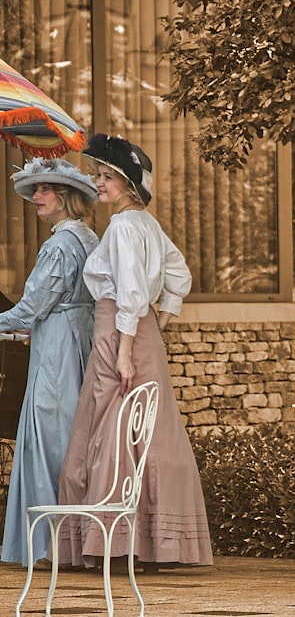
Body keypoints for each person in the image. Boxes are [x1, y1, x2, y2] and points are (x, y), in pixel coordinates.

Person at [57, 134, 213, 571]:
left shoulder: (125, 226)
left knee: (111, 423)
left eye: (106, 177)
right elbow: (178, 274)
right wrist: (158, 322)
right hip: (140, 330)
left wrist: (125, 348)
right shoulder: (148, 224)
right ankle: (156, 541)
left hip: (119, 332)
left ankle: (112, 539)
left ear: (127, 184)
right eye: (99, 175)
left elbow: (128, 291)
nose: (98, 183)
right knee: (150, 429)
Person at [0, 158, 100, 567]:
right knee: (72, 437)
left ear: (66, 197)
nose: (36, 198)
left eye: (45, 190)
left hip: (58, 348)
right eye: (35, 190)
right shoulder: (88, 238)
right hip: (78, 340)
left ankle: (47, 545)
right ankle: (73, 542)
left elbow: (30, 309)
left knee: (48, 439)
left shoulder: (59, 245)